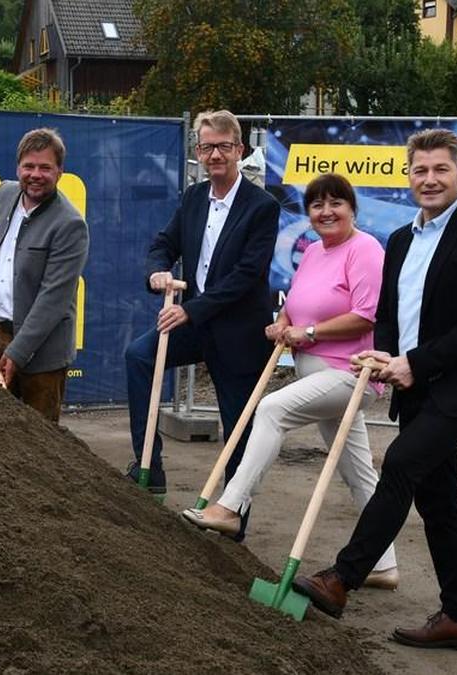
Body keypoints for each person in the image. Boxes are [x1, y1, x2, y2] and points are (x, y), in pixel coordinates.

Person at [292, 129, 457, 653]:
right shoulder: (399, 240)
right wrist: (384, 356)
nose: (430, 179)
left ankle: (341, 579)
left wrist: (415, 363)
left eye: (441, 169)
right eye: (421, 170)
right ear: (409, 176)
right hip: (414, 385)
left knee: (399, 465)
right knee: (438, 499)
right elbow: (389, 314)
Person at [180, 173, 400, 588]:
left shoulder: (365, 249)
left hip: (348, 375)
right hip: (311, 370)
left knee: (271, 409)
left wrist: (310, 334)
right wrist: (281, 324)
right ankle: (384, 564)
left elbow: (366, 315)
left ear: (352, 209)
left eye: (336, 203)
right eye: (317, 205)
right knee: (359, 474)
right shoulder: (314, 252)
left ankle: (230, 506)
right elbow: (297, 306)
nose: (326, 212)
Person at [123, 109, 279, 539]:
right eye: (207, 147)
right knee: (139, 355)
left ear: (239, 151)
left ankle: (233, 518)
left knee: (238, 428)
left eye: (223, 147)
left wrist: (192, 309)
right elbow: (164, 243)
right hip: (195, 324)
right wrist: (157, 270)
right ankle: (149, 465)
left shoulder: (261, 207)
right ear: (197, 151)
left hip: (239, 333)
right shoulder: (193, 198)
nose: (215, 155)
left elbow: (247, 276)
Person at [0, 128, 89, 422]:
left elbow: (53, 301)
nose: (35, 174)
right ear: (18, 167)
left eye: (45, 167)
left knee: (38, 443)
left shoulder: (70, 225)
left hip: (43, 355)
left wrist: (17, 354)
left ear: (60, 172)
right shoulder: (5, 193)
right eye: (28, 166)